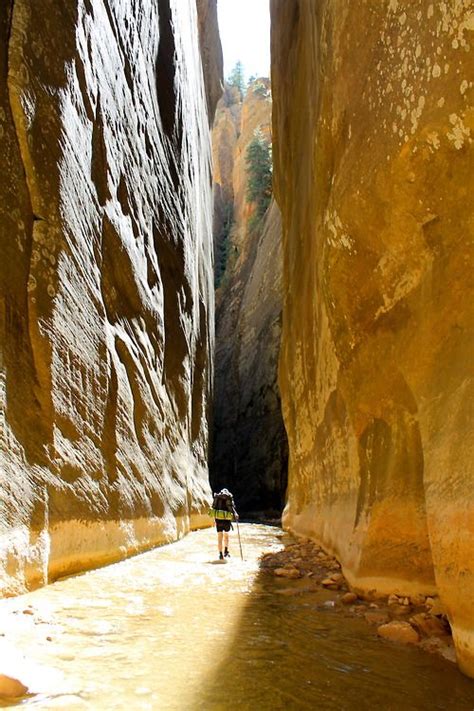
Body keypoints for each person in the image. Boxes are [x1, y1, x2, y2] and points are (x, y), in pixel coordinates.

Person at [210, 488, 239, 560]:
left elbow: (213, 508)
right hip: (226, 520)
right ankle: (226, 551)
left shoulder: (217, 497)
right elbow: (232, 508)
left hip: (218, 520)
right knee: (226, 536)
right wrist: (235, 514)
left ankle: (220, 555)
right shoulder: (229, 497)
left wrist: (214, 520)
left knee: (220, 537)